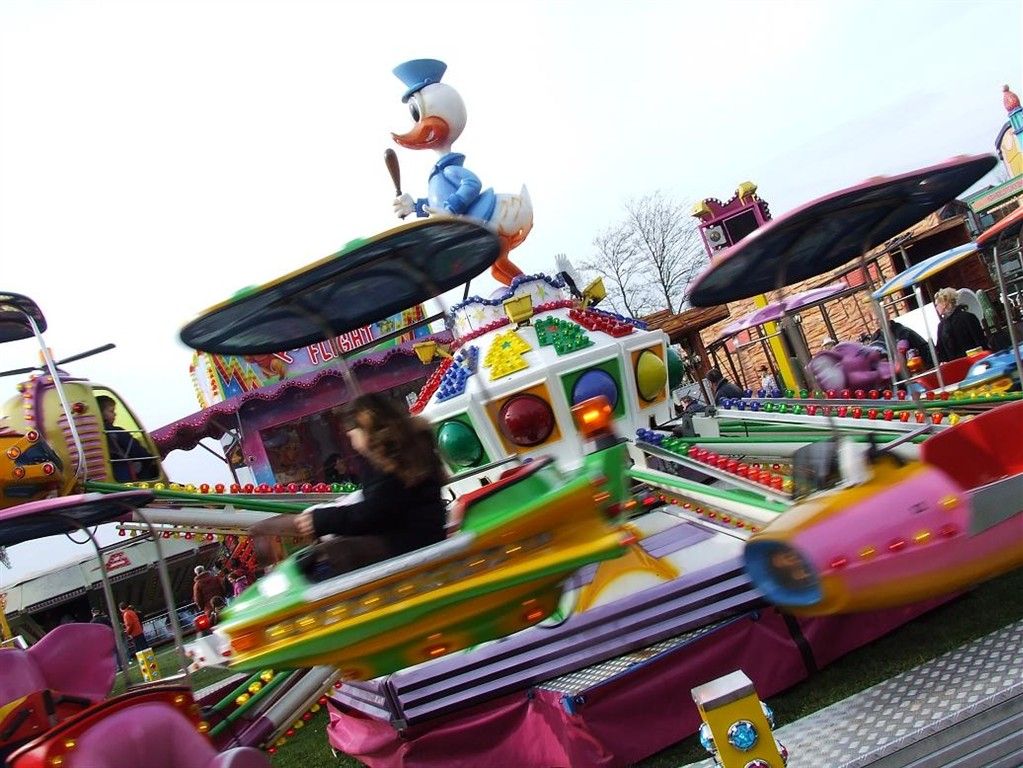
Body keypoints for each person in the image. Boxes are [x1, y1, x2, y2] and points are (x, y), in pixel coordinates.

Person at [284, 393, 448, 575]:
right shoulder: (407, 450)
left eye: (352, 436)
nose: (353, 444)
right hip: (421, 541)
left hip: (411, 549)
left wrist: (320, 520)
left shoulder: (391, 462)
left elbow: (373, 514)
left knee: (328, 560)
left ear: (365, 429)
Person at [97, 395, 158, 482]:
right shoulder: (116, 432)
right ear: (100, 413)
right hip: (122, 476)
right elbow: (136, 450)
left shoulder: (94, 433)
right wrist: (150, 458)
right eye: (111, 411)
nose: (115, 414)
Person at [934, 287, 988, 363]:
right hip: (964, 363)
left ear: (944, 304)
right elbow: (941, 350)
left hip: (972, 362)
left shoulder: (967, 318)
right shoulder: (941, 326)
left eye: (937, 304)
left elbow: (980, 342)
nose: (936, 308)